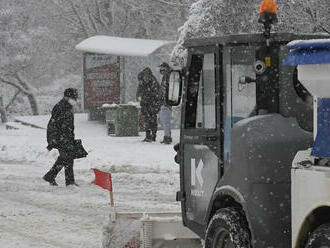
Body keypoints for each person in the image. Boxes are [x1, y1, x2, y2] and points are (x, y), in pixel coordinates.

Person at [43, 88, 81, 186]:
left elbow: (68, 126)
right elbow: (53, 125)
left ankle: (51, 176)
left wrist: (71, 138)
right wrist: (55, 140)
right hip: (60, 138)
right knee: (67, 158)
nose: (75, 100)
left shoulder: (67, 107)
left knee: (66, 158)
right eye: (74, 98)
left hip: (66, 138)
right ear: (67, 97)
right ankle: (68, 181)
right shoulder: (60, 107)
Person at [136, 67, 161, 142]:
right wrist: (138, 97)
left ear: (150, 76)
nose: (146, 78)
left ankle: (153, 136)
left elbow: (156, 94)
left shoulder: (154, 82)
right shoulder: (141, 82)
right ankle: (147, 136)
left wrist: (149, 97)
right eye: (145, 77)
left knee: (153, 120)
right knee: (146, 119)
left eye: (147, 77)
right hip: (145, 104)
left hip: (152, 104)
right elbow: (138, 92)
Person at [159, 62, 173, 144]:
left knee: (165, 120)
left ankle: (167, 137)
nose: (161, 70)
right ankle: (167, 136)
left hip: (166, 102)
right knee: (164, 120)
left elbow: (166, 90)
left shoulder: (168, 76)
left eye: (162, 68)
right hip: (165, 101)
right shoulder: (166, 76)